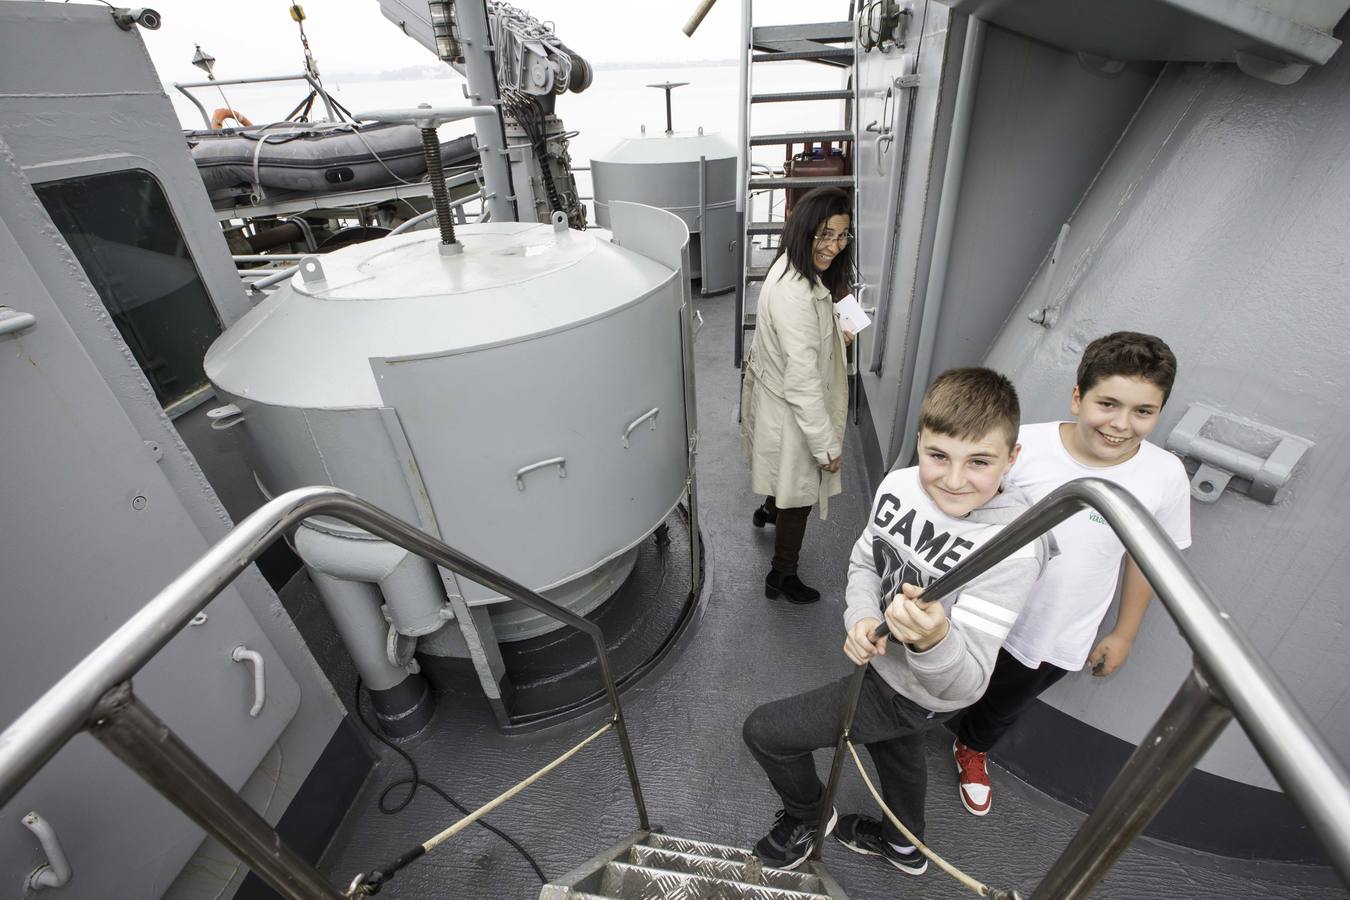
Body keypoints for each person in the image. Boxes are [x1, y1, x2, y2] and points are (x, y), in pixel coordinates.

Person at [742, 368, 1054, 874]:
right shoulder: (900, 485)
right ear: (920, 443)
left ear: (1011, 459)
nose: (953, 480)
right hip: (885, 666)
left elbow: (969, 681)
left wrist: (934, 640)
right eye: (938, 456)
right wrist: (862, 615)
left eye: (979, 461)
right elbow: (869, 558)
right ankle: (905, 847)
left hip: (914, 692)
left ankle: (808, 816)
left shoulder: (1013, 549)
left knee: (766, 732)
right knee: (897, 752)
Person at [949, 332, 1191, 817]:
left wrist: (1123, 634)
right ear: (1078, 397)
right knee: (941, 679)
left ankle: (972, 748)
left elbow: (1144, 561)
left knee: (1003, 704)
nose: (1122, 425)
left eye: (1143, 411)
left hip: (1056, 628)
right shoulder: (1022, 448)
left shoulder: (1165, 477)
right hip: (976, 611)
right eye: (1108, 403)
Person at [741, 186, 854, 605]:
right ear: (804, 229)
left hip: (779, 399)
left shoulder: (789, 265)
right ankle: (781, 575)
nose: (834, 246)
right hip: (793, 410)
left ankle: (768, 510)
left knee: (785, 480)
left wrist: (835, 333)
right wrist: (827, 448)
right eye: (825, 234)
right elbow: (803, 381)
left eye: (842, 236)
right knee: (801, 494)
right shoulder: (796, 295)